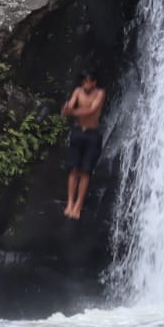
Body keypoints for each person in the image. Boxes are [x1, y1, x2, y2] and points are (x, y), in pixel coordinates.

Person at [62, 72, 106, 220]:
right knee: (73, 169)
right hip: (78, 132)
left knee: (85, 172)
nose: (85, 84)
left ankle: (78, 206)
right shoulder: (78, 91)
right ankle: (69, 203)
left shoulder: (99, 93)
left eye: (88, 82)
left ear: (94, 82)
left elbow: (91, 110)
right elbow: (70, 104)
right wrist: (67, 108)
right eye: (84, 81)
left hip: (93, 135)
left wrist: (71, 111)